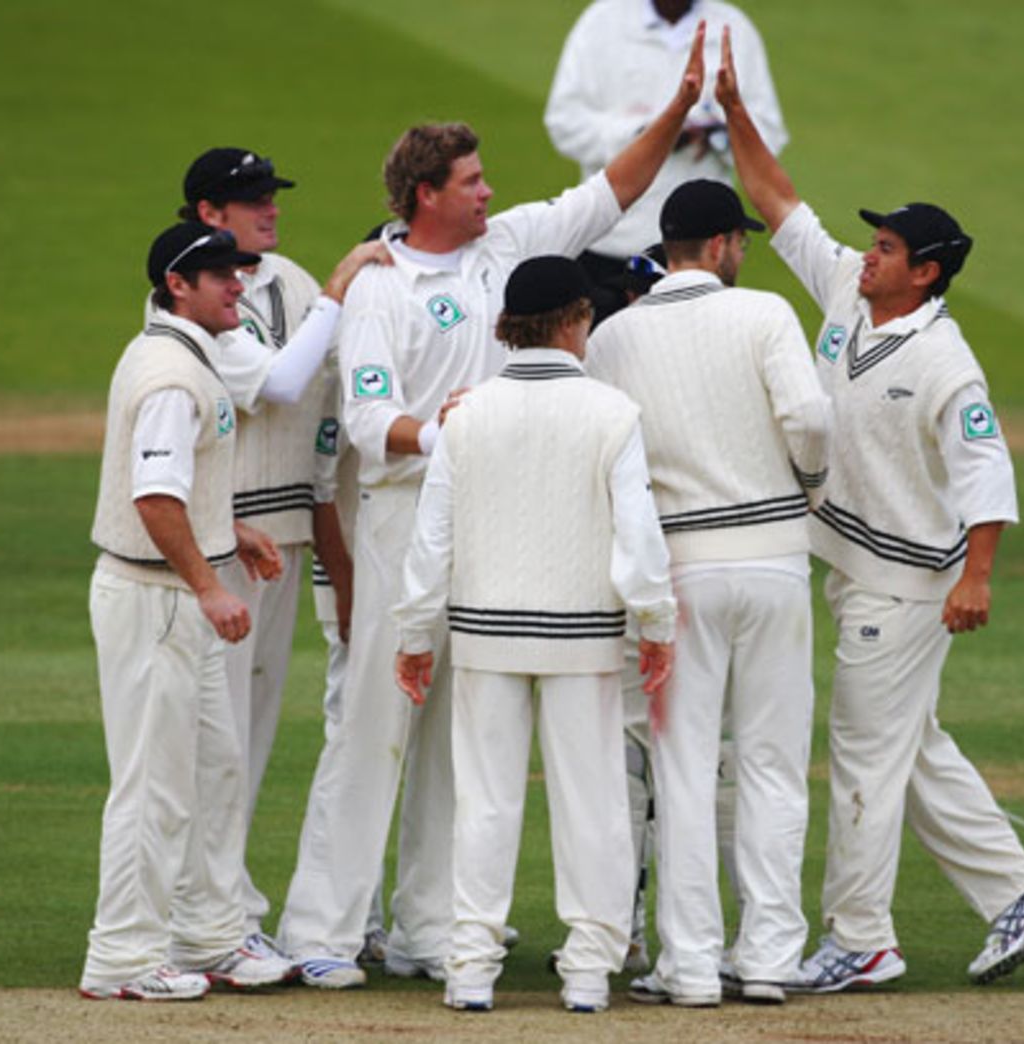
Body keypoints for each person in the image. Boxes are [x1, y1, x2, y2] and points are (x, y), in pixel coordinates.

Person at [277, 25, 709, 990]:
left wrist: (676, 113)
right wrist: (452, 440)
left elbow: (612, 192)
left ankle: (428, 929)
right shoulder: (382, 286)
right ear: (425, 194)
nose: (490, 192)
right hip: (403, 513)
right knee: (379, 719)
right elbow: (370, 418)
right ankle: (320, 929)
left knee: (454, 727)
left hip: (489, 520)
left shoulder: (505, 244)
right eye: (472, 181)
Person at [714, 32, 1024, 991]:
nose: (866, 255)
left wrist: (979, 575)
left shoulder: (944, 362)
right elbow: (776, 201)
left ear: (926, 273)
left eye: (886, 248)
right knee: (910, 746)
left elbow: (986, 467)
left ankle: (861, 937)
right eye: (871, 243)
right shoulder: (845, 287)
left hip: (911, 582)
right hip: (856, 564)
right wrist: (735, 113)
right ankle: (1022, 893)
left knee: (867, 756)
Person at [393, 255, 677, 1014]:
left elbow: (432, 541)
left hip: (486, 637)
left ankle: (471, 969)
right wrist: (655, 621)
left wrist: (417, 636)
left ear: (507, 327)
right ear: (578, 320)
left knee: (484, 803)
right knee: (592, 804)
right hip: (582, 639)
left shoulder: (467, 414)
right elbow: (639, 536)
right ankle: (587, 973)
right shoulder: (612, 412)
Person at [588, 179, 831, 1006]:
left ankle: (689, 966)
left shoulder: (614, 336)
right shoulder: (765, 314)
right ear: (723, 244)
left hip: (677, 569)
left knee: (683, 769)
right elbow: (809, 418)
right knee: (771, 764)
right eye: (742, 242)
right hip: (774, 563)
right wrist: (808, 486)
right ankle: (767, 959)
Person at [175, 147, 387, 957]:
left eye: (270, 194)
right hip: (224, 544)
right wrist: (339, 294)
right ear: (207, 214)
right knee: (216, 739)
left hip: (284, 540)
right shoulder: (191, 296)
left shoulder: (290, 279)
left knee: (252, 735)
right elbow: (280, 385)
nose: (269, 207)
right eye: (250, 198)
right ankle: (206, 919)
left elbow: (330, 405)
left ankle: (227, 912)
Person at [79, 223, 294, 1000]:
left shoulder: (181, 358)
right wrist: (209, 581)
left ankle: (208, 934)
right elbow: (154, 497)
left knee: (215, 768)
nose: (239, 285)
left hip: (173, 596)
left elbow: (174, 489)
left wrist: (227, 530)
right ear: (179, 286)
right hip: (158, 602)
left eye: (238, 272)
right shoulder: (171, 376)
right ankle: (124, 959)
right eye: (220, 276)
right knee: (153, 784)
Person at [545, 0, 786, 323]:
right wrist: (649, 135)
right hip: (610, 243)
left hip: (697, 253)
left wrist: (717, 133)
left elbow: (769, 133)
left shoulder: (734, 27)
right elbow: (564, 122)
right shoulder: (601, 22)